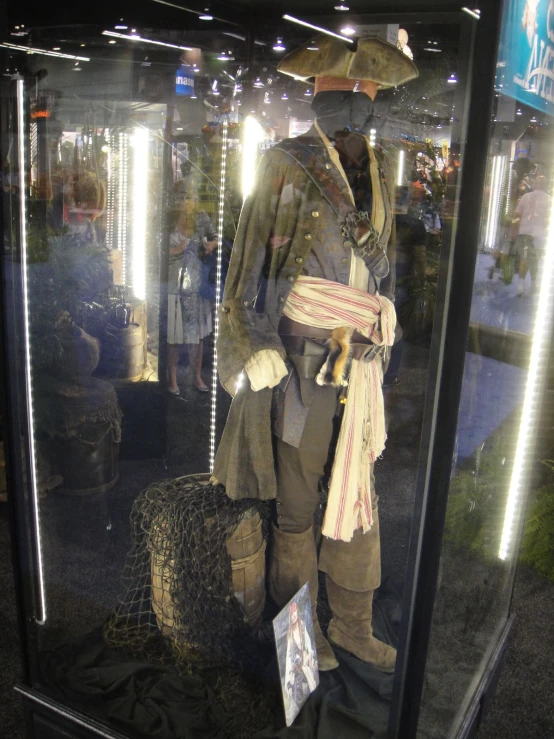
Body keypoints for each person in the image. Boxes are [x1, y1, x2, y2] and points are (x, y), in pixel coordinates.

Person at [213, 35, 418, 672]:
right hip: (302, 371)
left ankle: (352, 626)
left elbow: (381, 270)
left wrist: (381, 324)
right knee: (298, 507)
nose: (362, 114)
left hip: (361, 363)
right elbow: (246, 272)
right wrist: (254, 346)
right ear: (341, 100)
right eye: (359, 99)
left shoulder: (377, 169)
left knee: (357, 495)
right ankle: (301, 639)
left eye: (368, 102)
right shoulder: (283, 164)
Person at [167, 203, 217, 394]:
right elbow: (157, 248)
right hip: (175, 284)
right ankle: (172, 378)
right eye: (183, 196)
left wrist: (210, 245)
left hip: (198, 283)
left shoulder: (202, 217)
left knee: (198, 335)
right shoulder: (169, 216)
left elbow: (216, 237)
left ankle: (196, 376)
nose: (187, 200)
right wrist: (180, 247)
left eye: (191, 196)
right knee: (174, 334)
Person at [513, 175, 551, 296]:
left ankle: (520, 286)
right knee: (535, 260)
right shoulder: (549, 199)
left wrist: (515, 228)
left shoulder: (525, 197)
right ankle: (534, 285)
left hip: (524, 232)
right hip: (539, 234)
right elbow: (548, 220)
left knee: (524, 259)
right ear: (546, 186)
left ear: (535, 185)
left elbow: (517, 216)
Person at [284, 601, 317, 724]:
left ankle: (313, 700)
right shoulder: (290, 635)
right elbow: (288, 657)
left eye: (294, 613)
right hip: (297, 667)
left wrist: (310, 654)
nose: (293, 616)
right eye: (291, 614)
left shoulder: (302, 627)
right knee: (297, 695)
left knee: (310, 677)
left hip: (306, 662)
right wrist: (288, 679)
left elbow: (307, 643)